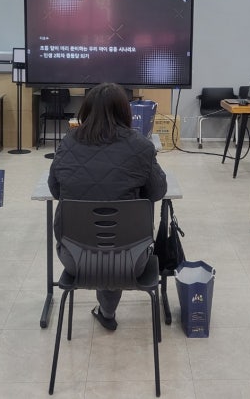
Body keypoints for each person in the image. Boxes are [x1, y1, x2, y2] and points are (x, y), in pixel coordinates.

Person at [48, 83, 167, 330]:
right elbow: (158, 192)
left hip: (74, 258)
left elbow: (55, 190)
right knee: (117, 241)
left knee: (100, 240)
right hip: (131, 260)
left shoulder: (68, 143)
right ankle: (107, 312)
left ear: (86, 110)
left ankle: (107, 313)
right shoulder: (142, 146)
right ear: (125, 112)